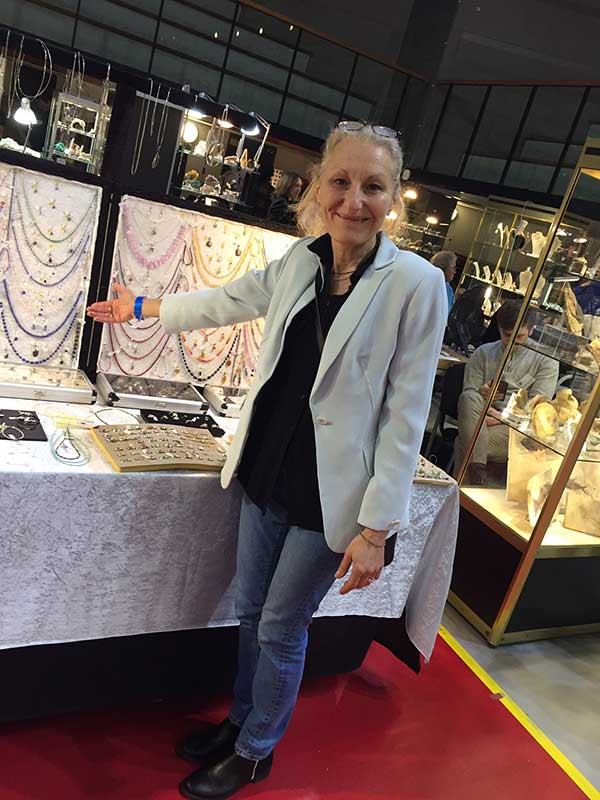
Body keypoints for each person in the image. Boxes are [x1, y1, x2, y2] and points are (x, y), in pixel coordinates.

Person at [87, 121, 447, 800]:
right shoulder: (301, 260)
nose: (354, 200)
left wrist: (377, 529)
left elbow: (407, 413)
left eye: (373, 186)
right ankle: (240, 723)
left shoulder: (416, 284)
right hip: (267, 469)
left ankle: (256, 751)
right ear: (319, 187)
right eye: (341, 181)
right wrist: (139, 305)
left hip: (331, 496)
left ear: (393, 196)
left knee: (282, 626)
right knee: (252, 612)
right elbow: (226, 301)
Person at [455, 299, 559, 485]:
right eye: (507, 335)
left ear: (531, 330)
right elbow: (468, 397)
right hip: (480, 417)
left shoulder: (546, 361)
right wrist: (481, 393)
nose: (513, 342)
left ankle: (462, 489)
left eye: (519, 337)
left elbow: (537, 413)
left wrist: (502, 417)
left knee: (465, 441)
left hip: (515, 428)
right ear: (499, 328)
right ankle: (473, 485)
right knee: (469, 396)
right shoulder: (483, 353)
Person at [430, 250, 457, 314]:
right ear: (443, 268)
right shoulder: (433, 286)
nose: (454, 272)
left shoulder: (448, 287)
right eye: (453, 268)